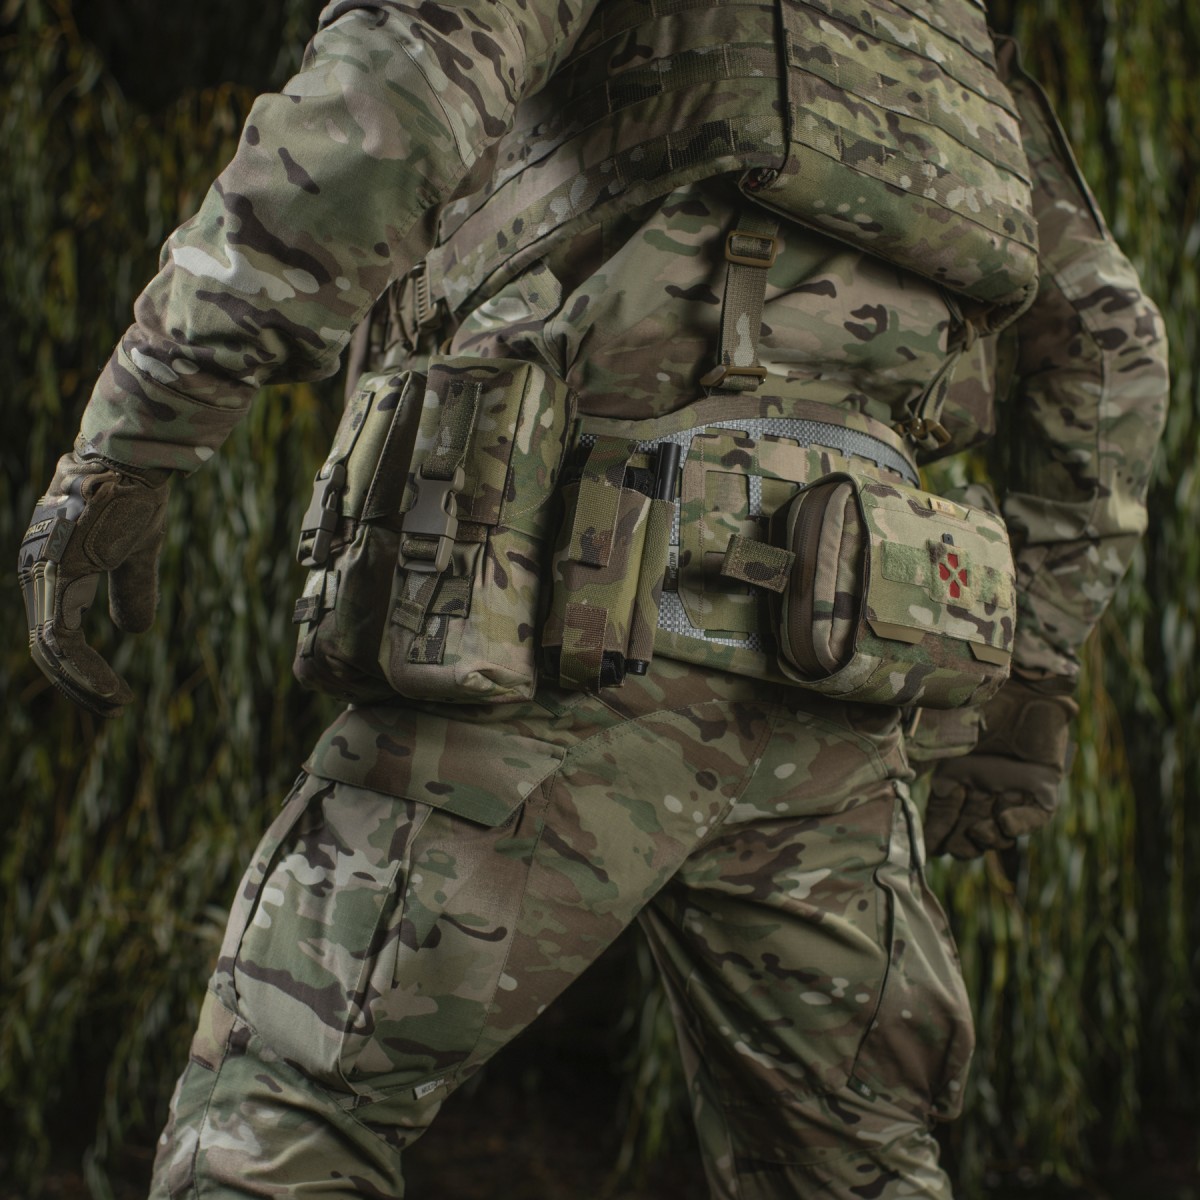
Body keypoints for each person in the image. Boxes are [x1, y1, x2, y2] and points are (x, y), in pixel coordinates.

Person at [19, 1, 1168, 1196]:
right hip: (850, 676)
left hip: (573, 620)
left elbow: (380, 111)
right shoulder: (948, 31)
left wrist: (137, 436)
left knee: (282, 1115)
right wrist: (1034, 672)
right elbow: (1113, 348)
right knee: (855, 1169)